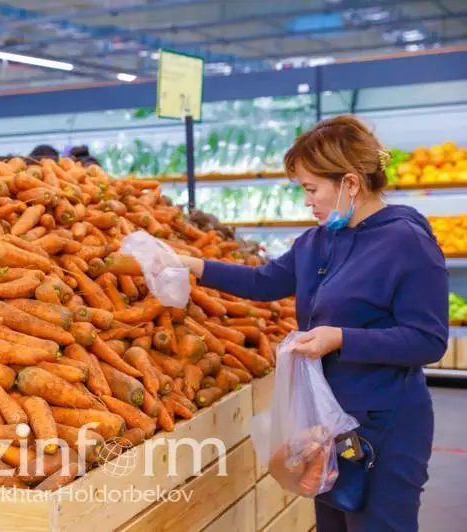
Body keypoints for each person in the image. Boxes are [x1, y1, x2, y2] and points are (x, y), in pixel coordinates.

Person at [180, 115, 448, 532]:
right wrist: (190, 265)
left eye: (311, 189)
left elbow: (428, 340)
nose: (307, 202)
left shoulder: (407, 242)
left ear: (350, 184)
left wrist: (339, 338)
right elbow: (264, 281)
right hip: (327, 428)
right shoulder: (318, 241)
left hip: (385, 429)